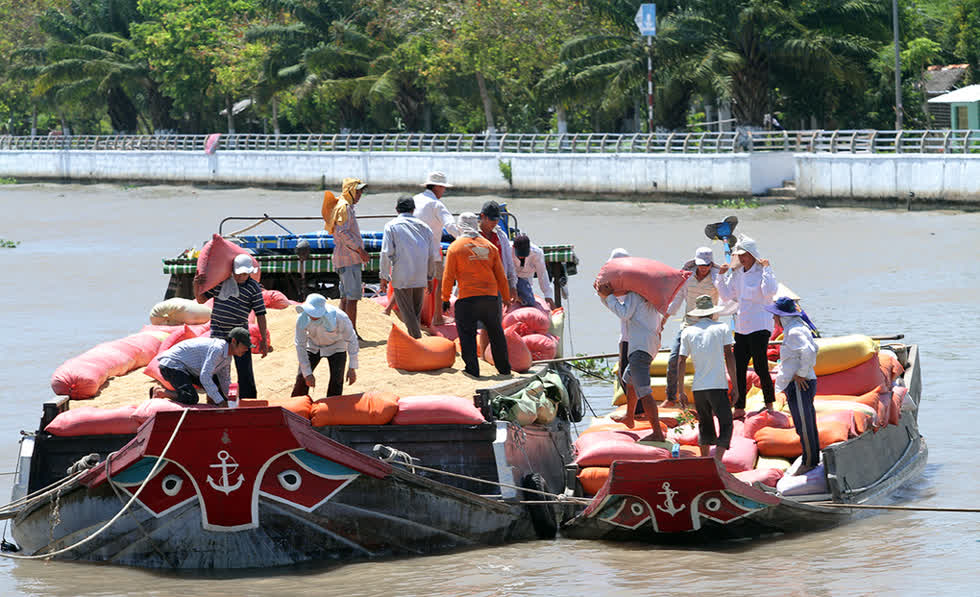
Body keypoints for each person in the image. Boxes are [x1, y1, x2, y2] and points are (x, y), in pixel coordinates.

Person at [595, 278, 667, 443]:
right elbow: (623, 311)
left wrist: (608, 296)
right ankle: (629, 417)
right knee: (629, 380)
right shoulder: (649, 297)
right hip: (647, 345)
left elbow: (623, 313)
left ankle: (657, 432)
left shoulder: (635, 295)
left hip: (640, 348)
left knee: (644, 390)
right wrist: (605, 297)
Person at [441, 212, 511, 378]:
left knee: (467, 334)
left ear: (460, 226)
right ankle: (504, 369)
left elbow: (448, 275)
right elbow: (501, 276)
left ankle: (473, 370)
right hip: (491, 299)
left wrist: (445, 298)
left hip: (467, 299)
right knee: (496, 334)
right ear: (476, 225)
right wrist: (506, 297)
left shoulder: (455, 247)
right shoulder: (490, 247)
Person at [716, 235, 778, 418]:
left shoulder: (762, 271)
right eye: (740, 255)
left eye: (745, 255)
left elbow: (770, 291)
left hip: (760, 325)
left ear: (752, 255)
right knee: (739, 367)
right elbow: (727, 295)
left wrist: (767, 269)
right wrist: (720, 276)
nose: (742, 258)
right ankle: (740, 406)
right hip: (742, 326)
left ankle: (769, 403)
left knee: (760, 366)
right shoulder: (737, 274)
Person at [662, 246, 731, 407]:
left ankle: (720, 397)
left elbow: (726, 295)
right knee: (674, 359)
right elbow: (677, 299)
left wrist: (722, 276)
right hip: (688, 323)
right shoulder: (686, 276)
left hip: (709, 324)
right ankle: (671, 397)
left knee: (713, 362)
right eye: (701, 264)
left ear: (711, 264)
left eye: (707, 265)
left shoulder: (716, 276)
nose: (703, 268)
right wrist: (664, 319)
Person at [673, 295, 739, 463]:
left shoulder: (688, 331)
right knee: (726, 424)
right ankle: (717, 461)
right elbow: (729, 356)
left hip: (699, 388)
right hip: (717, 385)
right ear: (712, 313)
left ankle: (704, 461)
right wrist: (736, 386)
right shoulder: (721, 328)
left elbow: (680, 361)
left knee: (705, 425)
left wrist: (680, 391)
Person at [194, 253, 269, 399]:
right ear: (232, 271)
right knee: (216, 368)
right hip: (218, 332)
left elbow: (260, 314)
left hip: (240, 334)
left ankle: (248, 400)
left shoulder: (253, 288)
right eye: (238, 274)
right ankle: (216, 400)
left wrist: (264, 340)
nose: (241, 277)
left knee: (244, 370)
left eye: (244, 274)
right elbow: (201, 300)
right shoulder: (221, 283)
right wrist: (196, 285)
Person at [767, 296, 820, 474]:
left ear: (783, 316)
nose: (774, 319)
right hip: (798, 383)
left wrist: (800, 374)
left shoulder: (794, 331)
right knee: (804, 422)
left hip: (800, 384)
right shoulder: (795, 328)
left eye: (776, 316)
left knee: (803, 423)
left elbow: (810, 351)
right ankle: (811, 457)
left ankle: (810, 462)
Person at [379, 196, 438, 338]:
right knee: (415, 314)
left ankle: (418, 342)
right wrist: (430, 277)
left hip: (402, 275)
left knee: (408, 313)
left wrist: (384, 276)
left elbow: (386, 253)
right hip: (420, 274)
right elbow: (432, 255)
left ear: (396, 209)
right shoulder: (425, 227)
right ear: (413, 210)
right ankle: (415, 343)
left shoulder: (391, 226)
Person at [152, 327, 252, 406]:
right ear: (234, 341)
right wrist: (221, 401)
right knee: (191, 398)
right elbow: (205, 377)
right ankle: (161, 392)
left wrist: (232, 401)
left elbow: (224, 381)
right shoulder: (218, 349)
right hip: (172, 365)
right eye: (245, 345)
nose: (247, 349)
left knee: (217, 382)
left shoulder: (227, 358)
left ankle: (213, 407)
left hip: (188, 369)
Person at [323, 177, 370, 335]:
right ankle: (352, 332)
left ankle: (342, 330)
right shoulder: (344, 207)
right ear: (350, 191)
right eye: (358, 191)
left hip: (344, 258)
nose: (360, 194)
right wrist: (360, 250)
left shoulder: (343, 206)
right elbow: (342, 233)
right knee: (352, 298)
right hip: (349, 257)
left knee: (345, 297)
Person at [413, 171, 460, 327]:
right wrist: (464, 239)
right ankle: (438, 317)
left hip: (412, 250)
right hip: (432, 252)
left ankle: (416, 316)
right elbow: (450, 225)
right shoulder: (437, 205)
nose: (444, 191)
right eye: (443, 188)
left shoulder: (415, 199)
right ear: (438, 187)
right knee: (438, 282)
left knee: (416, 285)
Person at [291, 293, 359, 398]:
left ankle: (332, 408)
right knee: (302, 377)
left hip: (337, 347)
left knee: (336, 380)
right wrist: (307, 373)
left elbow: (352, 340)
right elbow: (300, 344)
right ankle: (297, 405)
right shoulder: (302, 318)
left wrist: (352, 367)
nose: (312, 316)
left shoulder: (340, 317)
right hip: (313, 346)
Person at [477, 200, 517, 304]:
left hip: (497, 286)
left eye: (497, 219)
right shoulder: (473, 236)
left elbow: (509, 262)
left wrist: (512, 285)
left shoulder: (501, 236)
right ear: (482, 216)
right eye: (491, 219)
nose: (494, 222)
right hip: (477, 287)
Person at [511, 234, 555, 310]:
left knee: (529, 302)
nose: (522, 257)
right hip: (509, 277)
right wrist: (512, 288)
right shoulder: (507, 249)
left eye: (524, 255)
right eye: (520, 255)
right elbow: (505, 269)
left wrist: (548, 296)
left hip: (524, 279)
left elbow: (542, 274)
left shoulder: (537, 253)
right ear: (513, 248)